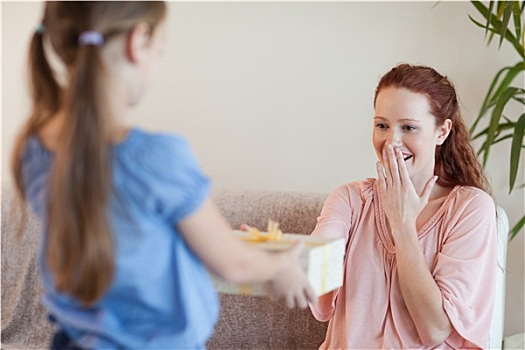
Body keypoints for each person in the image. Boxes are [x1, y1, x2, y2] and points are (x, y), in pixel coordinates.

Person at [11, 2, 315, 349]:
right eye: (161, 48)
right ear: (137, 41)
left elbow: (121, 230)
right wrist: (280, 268)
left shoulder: (33, 149)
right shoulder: (154, 158)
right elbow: (233, 264)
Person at [309, 63, 497, 349]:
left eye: (408, 127)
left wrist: (402, 223)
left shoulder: (471, 209)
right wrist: (274, 254)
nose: (391, 142)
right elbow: (318, 274)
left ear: (442, 132)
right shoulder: (349, 199)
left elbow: (434, 329)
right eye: (382, 125)